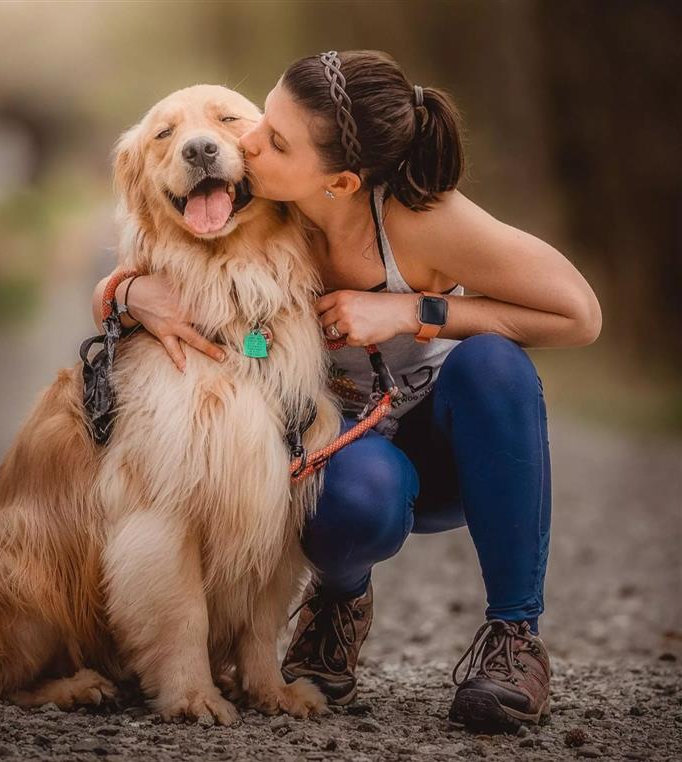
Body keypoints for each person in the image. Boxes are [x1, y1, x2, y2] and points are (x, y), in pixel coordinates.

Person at [91, 50, 602, 732]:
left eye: (272, 140)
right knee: (349, 496)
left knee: (494, 365)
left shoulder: (421, 219)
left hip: (446, 448)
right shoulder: (259, 215)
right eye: (261, 119)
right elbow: (155, 262)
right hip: (346, 462)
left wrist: (417, 311)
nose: (243, 142)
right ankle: (339, 601)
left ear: (339, 181)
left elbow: (579, 315)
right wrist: (125, 293)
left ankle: (514, 638)